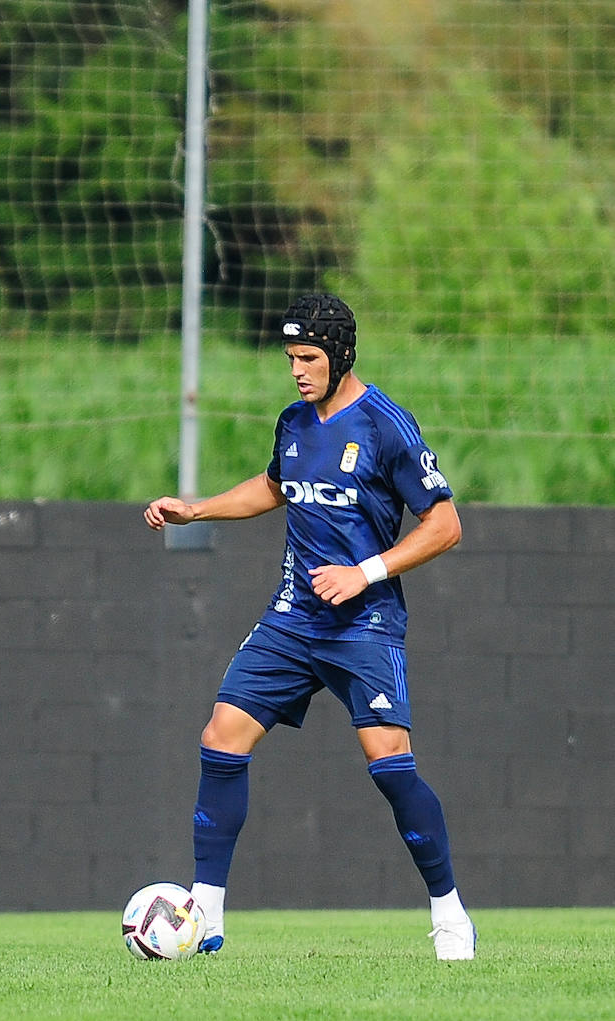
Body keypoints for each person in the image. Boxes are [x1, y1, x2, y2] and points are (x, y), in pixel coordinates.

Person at [144, 293, 475, 961]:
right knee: (223, 734)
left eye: (309, 357)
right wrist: (197, 510)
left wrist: (366, 572)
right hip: (294, 618)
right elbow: (275, 487)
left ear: (342, 355)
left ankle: (450, 914)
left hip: (365, 623)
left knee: (389, 764)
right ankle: (204, 912)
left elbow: (445, 525)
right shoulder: (293, 423)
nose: (297, 370)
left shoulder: (387, 426)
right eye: (291, 357)